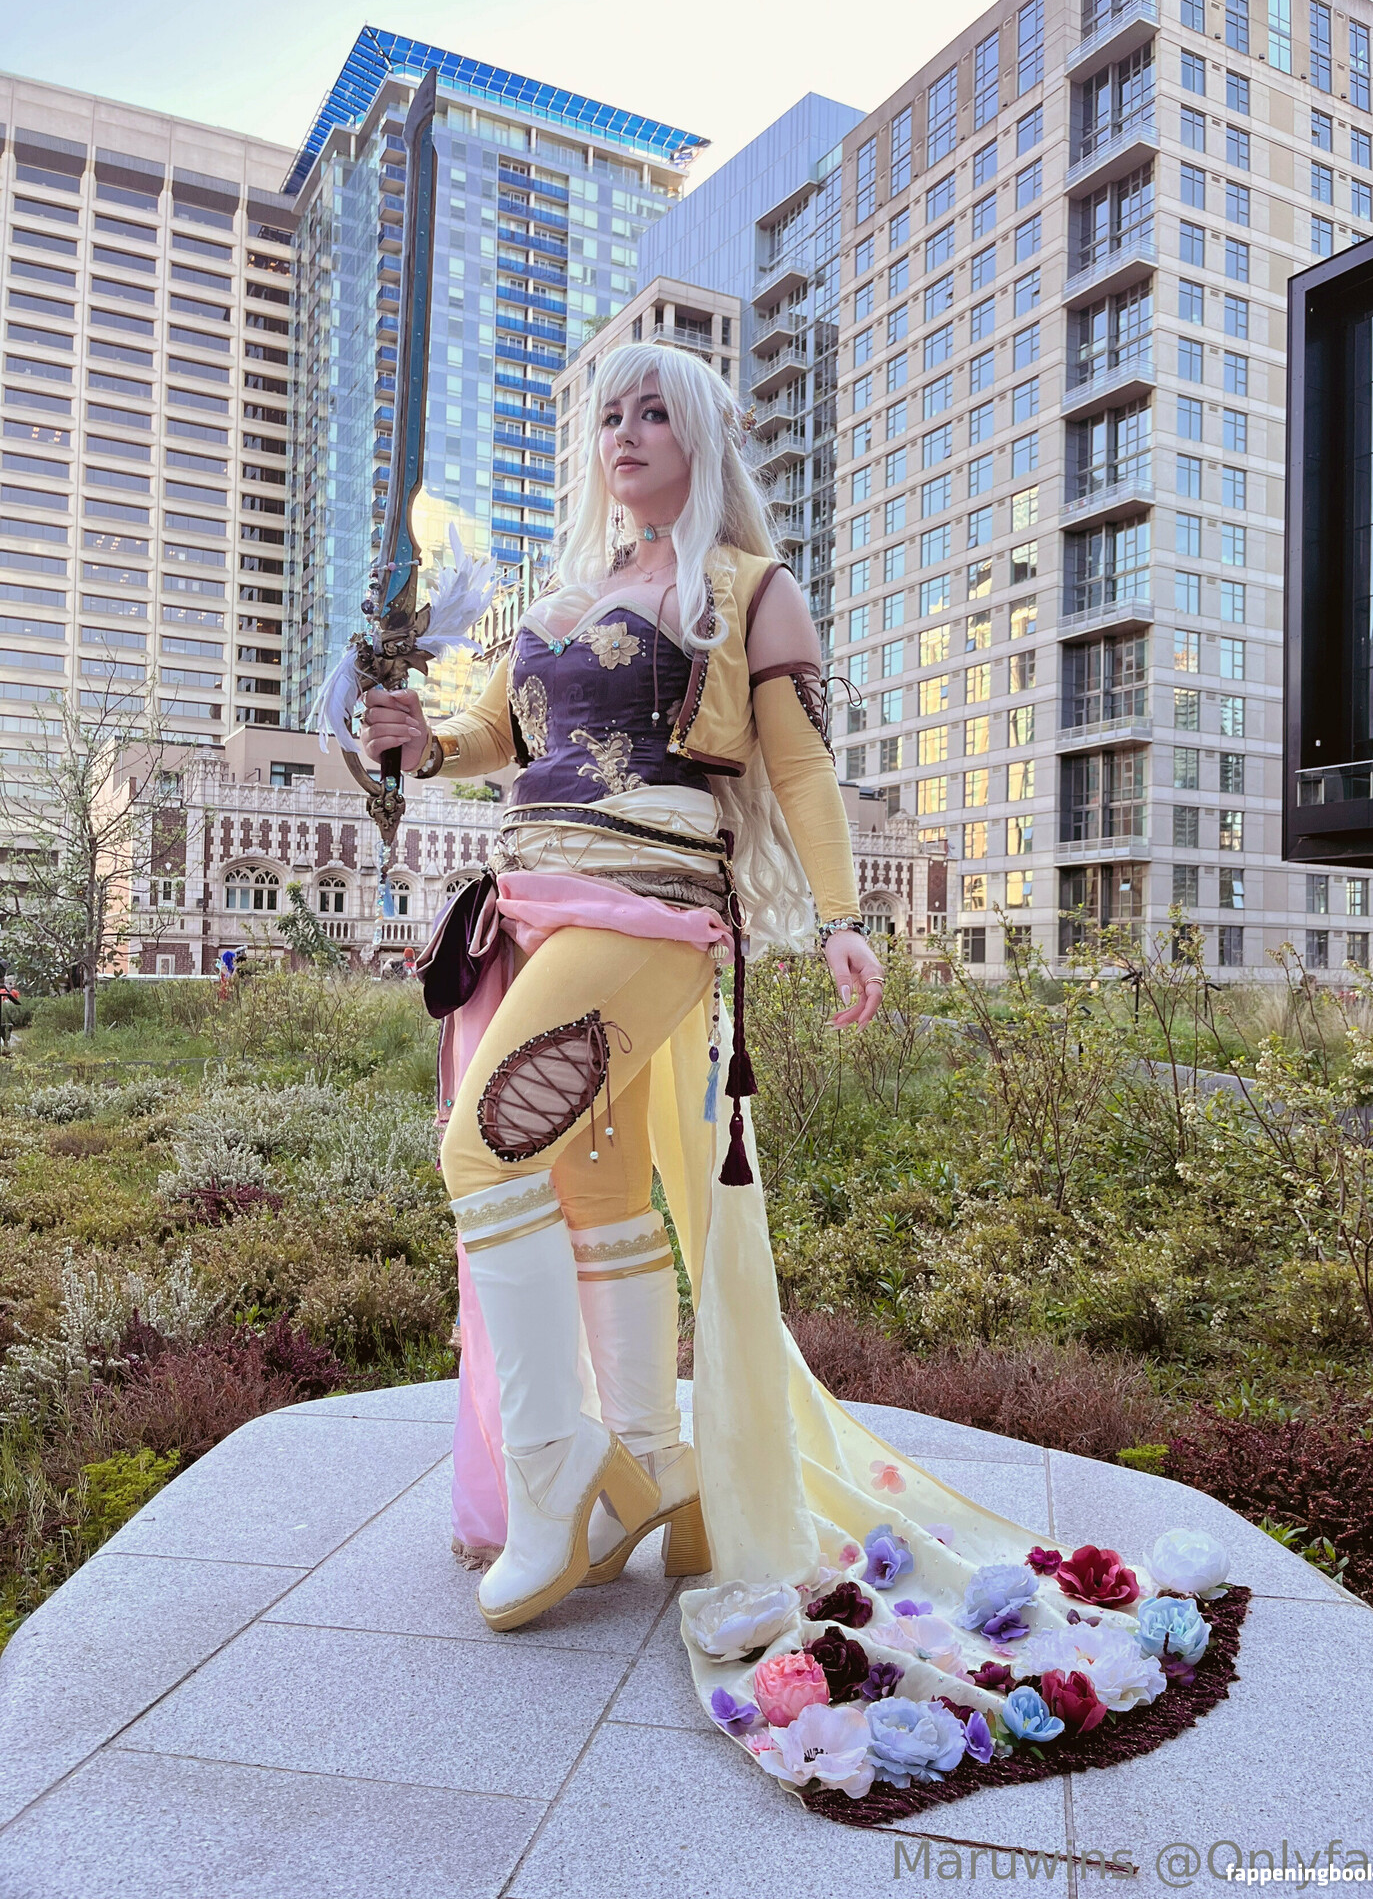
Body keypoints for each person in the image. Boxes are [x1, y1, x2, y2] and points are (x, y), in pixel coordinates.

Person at [359, 344, 1244, 1822]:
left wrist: (843, 918)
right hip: (530, 906)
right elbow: (493, 739)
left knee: (480, 1147)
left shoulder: (748, 587)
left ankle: (561, 1468)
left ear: (703, 435)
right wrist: (419, 738)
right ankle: (655, 1467)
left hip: (652, 917)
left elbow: (805, 771)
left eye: (655, 411)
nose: (626, 432)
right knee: (589, 1189)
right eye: (609, 414)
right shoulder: (559, 600)